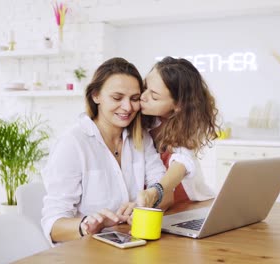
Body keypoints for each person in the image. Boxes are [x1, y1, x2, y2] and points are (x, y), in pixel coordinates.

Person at [41, 57, 166, 243]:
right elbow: (53, 226)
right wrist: (86, 225)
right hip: (85, 251)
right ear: (95, 95)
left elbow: (162, 186)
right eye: (117, 98)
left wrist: (145, 203)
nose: (128, 107)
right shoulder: (72, 143)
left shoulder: (140, 138)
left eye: (134, 99)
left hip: (128, 243)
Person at [137, 56, 220, 208]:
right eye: (144, 88)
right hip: (145, 201)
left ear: (178, 105)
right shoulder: (140, 120)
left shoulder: (186, 125)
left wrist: (156, 191)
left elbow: (183, 161)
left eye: (154, 96)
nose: (143, 97)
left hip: (182, 202)